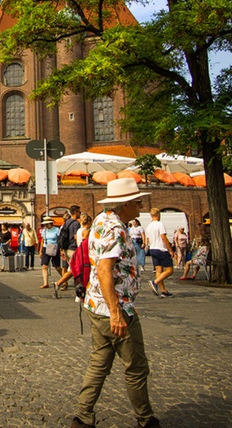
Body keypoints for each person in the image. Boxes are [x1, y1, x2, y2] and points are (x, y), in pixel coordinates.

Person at [71, 177, 160, 428]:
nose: (141, 206)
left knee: (99, 362)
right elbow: (104, 270)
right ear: (126, 204)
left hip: (95, 304)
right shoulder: (116, 228)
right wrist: (115, 312)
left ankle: (82, 417)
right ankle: (146, 419)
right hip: (116, 307)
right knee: (136, 367)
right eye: (138, 201)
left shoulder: (102, 219)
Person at [146, 208, 175, 298]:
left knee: (159, 270)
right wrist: (170, 249)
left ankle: (163, 291)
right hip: (161, 249)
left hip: (153, 249)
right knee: (169, 270)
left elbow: (147, 239)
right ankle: (155, 282)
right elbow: (163, 237)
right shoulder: (160, 224)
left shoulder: (148, 226)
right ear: (158, 215)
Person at [58, 205, 82, 290]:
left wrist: (61, 250)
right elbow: (76, 237)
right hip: (73, 248)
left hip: (66, 249)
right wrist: (80, 248)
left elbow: (61, 236)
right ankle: (59, 283)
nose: (80, 213)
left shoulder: (66, 222)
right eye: (79, 212)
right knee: (76, 268)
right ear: (75, 212)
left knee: (72, 268)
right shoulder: (76, 223)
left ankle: (65, 283)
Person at [39, 217, 61, 289]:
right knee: (44, 266)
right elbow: (42, 241)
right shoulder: (44, 231)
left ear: (49, 223)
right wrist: (40, 250)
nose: (45, 226)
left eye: (46, 224)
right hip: (46, 248)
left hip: (54, 247)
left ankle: (64, 279)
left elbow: (59, 240)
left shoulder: (57, 230)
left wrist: (61, 250)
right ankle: (45, 283)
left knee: (57, 267)